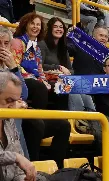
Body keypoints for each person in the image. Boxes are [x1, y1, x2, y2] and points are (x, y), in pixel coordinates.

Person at [11, 13, 71, 168]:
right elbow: (15, 66)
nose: (36, 27)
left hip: (33, 81)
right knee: (38, 87)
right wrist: (39, 80)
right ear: (25, 24)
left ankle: (57, 168)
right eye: (32, 23)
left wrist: (45, 80)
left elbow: (40, 70)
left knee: (64, 125)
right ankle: (37, 116)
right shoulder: (18, 43)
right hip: (20, 81)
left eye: (38, 24)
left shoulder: (36, 47)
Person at [0, 72, 48, 181]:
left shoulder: (9, 119)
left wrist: (23, 178)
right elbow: (18, 157)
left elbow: (17, 167)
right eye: (9, 101)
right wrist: (16, 157)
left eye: (15, 101)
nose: (13, 107)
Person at [0, 26, 29, 159]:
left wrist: (13, 68)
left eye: (6, 43)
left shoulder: (9, 66)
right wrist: (13, 104)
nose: (2, 47)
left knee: (61, 126)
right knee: (14, 115)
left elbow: (24, 94)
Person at [38, 17, 71, 111]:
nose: (59, 29)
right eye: (55, 27)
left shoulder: (63, 48)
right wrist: (59, 68)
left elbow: (70, 69)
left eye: (61, 27)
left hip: (62, 80)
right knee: (65, 89)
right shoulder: (42, 44)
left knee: (84, 95)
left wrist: (66, 72)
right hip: (46, 80)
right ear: (50, 29)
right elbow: (39, 66)